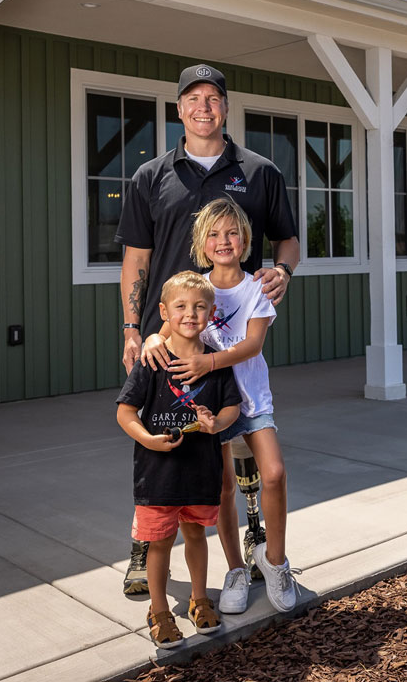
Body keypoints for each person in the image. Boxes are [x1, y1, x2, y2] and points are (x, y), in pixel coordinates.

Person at [116, 63, 300, 595]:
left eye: (213, 98)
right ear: (179, 109)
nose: (203, 107)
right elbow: (136, 260)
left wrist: (283, 270)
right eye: (193, 98)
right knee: (160, 440)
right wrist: (133, 328)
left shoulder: (259, 172)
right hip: (166, 340)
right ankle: (144, 547)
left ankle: (254, 538)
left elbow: (288, 240)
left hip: (231, 334)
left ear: (225, 107)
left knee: (230, 442)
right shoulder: (150, 176)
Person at [142, 197, 297, 613]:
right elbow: (168, 327)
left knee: (274, 474)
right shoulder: (196, 287)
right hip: (210, 403)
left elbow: (253, 344)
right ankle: (235, 570)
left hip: (252, 398)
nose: (223, 241)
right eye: (213, 234)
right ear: (201, 242)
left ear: (245, 239)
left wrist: (207, 361)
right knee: (224, 488)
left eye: (232, 233)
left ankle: (276, 562)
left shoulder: (256, 288)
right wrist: (153, 338)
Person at [116, 271, 242, 648]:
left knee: (195, 536)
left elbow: (232, 408)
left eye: (200, 307)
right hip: (158, 475)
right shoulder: (152, 361)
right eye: (181, 306)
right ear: (164, 312)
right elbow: (125, 412)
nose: (190, 314)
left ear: (211, 313)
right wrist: (147, 440)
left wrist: (216, 423)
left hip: (201, 471)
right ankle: (159, 611)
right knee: (160, 543)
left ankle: (199, 599)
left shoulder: (216, 364)